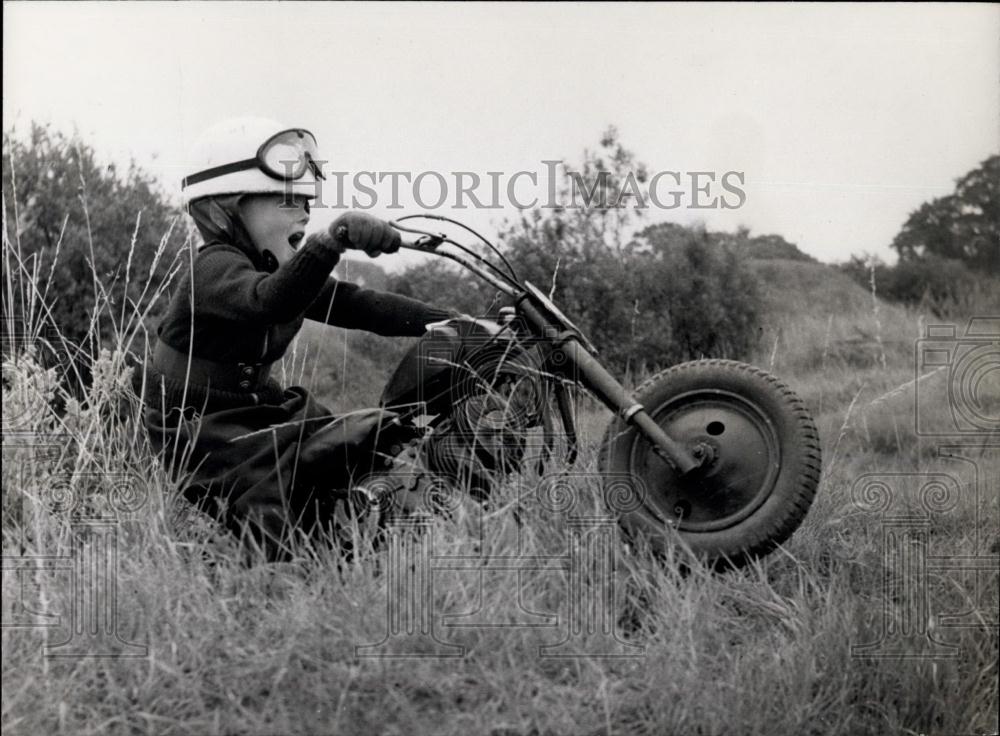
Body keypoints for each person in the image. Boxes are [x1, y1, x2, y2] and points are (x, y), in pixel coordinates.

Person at [142, 117, 454, 561]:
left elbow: (358, 304)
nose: (305, 214)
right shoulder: (213, 269)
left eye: (308, 203)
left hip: (255, 411)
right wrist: (330, 243)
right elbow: (269, 302)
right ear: (224, 210)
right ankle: (283, 574)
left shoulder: (279, 274)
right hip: (198, 425)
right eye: (288, 201)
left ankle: (371, 527)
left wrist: (451, 322)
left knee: (351, 442)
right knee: (269, 495)